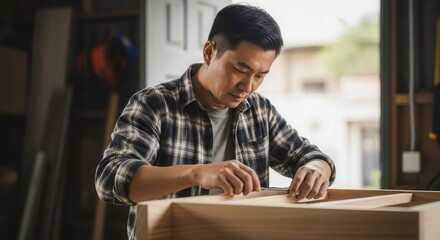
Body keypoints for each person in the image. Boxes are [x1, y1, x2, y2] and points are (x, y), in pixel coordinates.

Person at [95, 3, 336, 239]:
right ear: (210, 52)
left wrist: (316, 168)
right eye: (241, 69)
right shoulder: (154, 104)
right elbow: (109, 178)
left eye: (260, 75)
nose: (248, 86)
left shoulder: (260, 111)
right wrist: (196, 173)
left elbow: (311, 156)